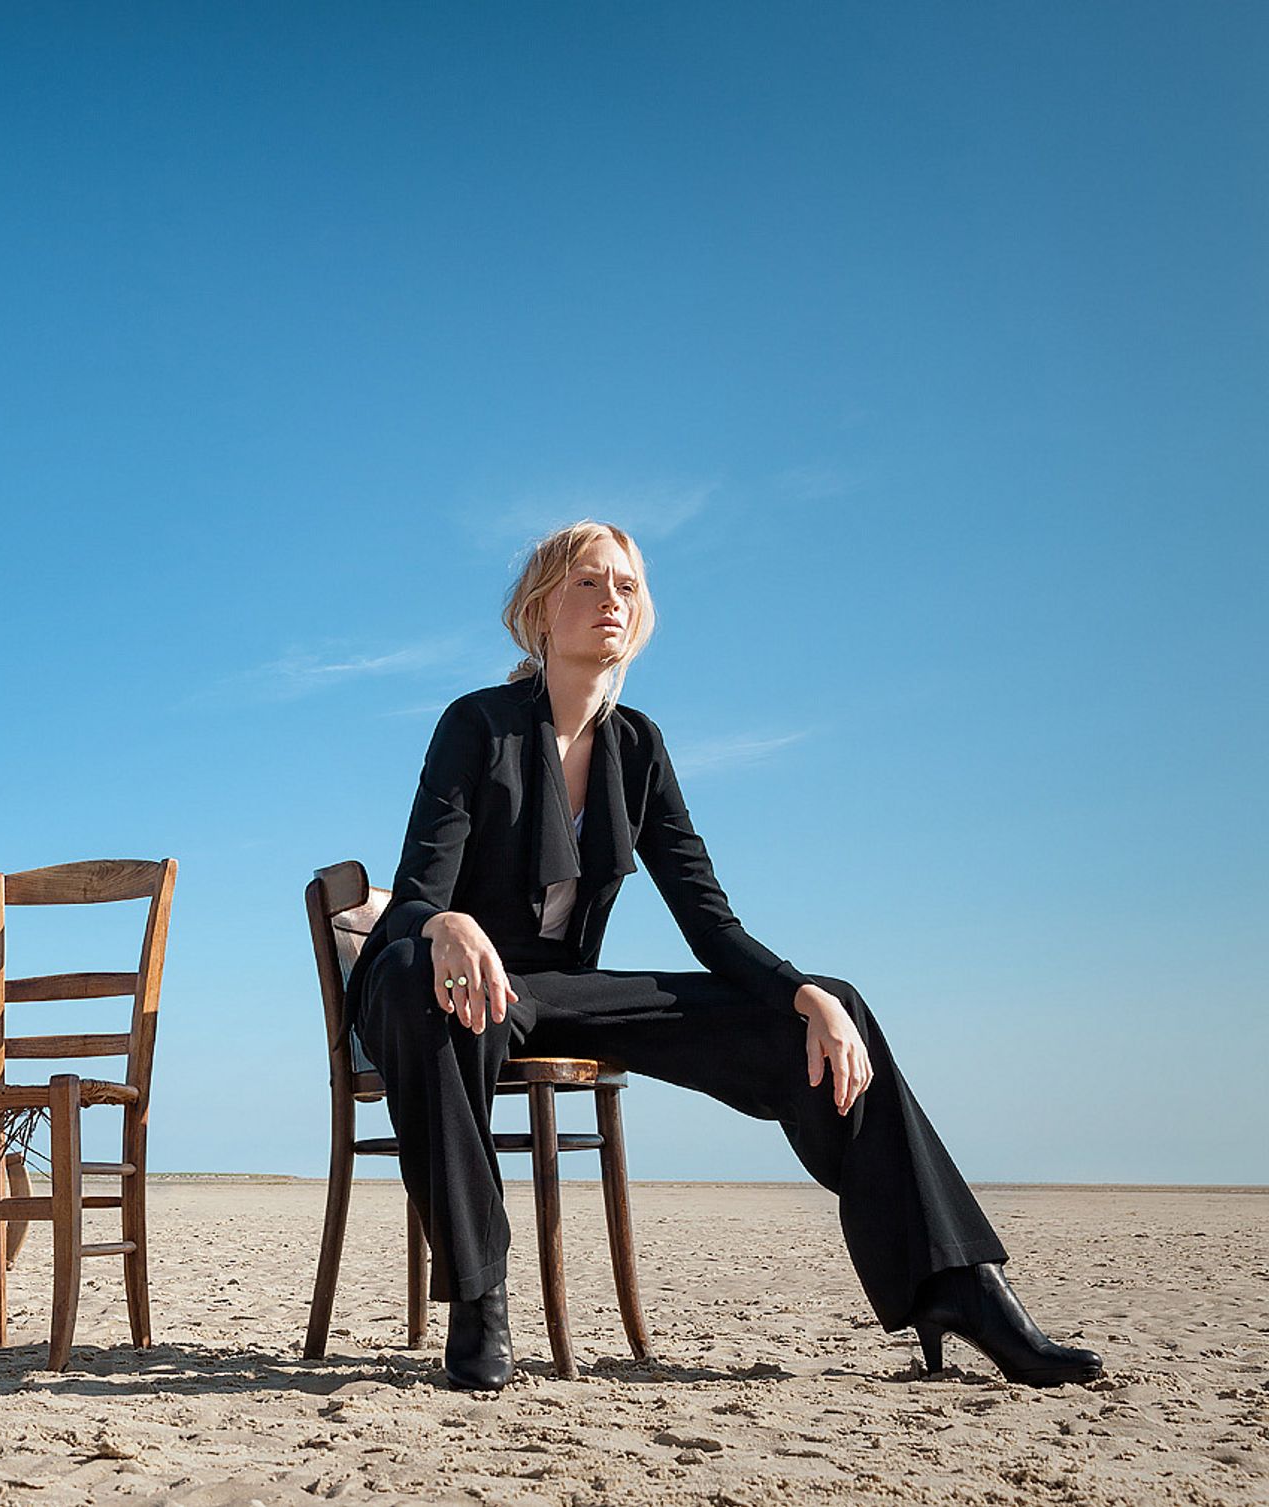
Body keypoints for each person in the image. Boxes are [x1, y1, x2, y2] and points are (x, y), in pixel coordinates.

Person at [346, 520, 1101, 1391]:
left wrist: (803, 992)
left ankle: (957, 1286)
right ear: (539, 608)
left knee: (833, 1006)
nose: (612, 601)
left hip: (563, 992)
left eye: (627, 586)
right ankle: (480, 1298)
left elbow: (709, 921)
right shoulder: (477, 724)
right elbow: (413, 898)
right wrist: (446, 924)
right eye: (590, 583)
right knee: (421, 981)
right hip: (447, 985)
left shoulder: (640, 746)